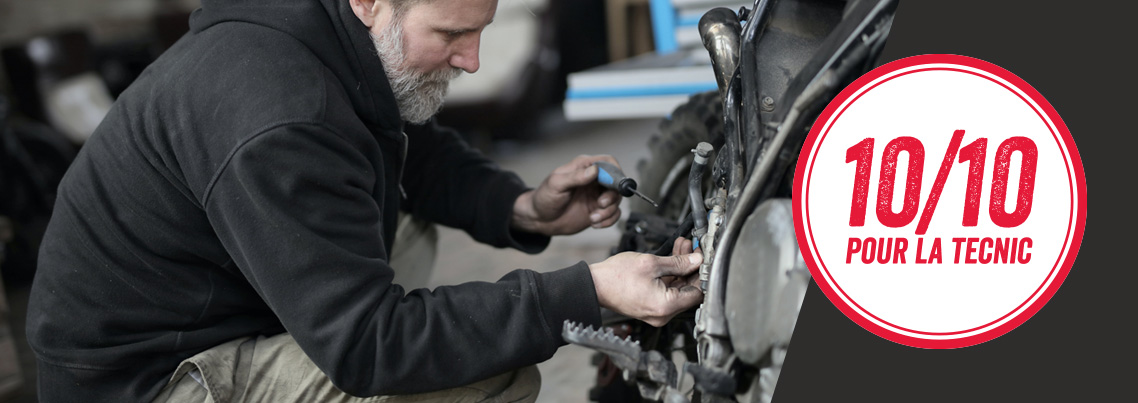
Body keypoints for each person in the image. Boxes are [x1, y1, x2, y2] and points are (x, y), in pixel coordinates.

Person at [25, 0, 704, 401]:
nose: (470, 59)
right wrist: (588, 291)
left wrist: (523, 206)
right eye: (450, 34)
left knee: (409, 226)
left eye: (480, 29)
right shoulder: (281, 115)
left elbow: (407, 141)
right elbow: (371, 344)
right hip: (142, 381)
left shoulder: (322, 33)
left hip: (197, 302)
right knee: (493, 377)